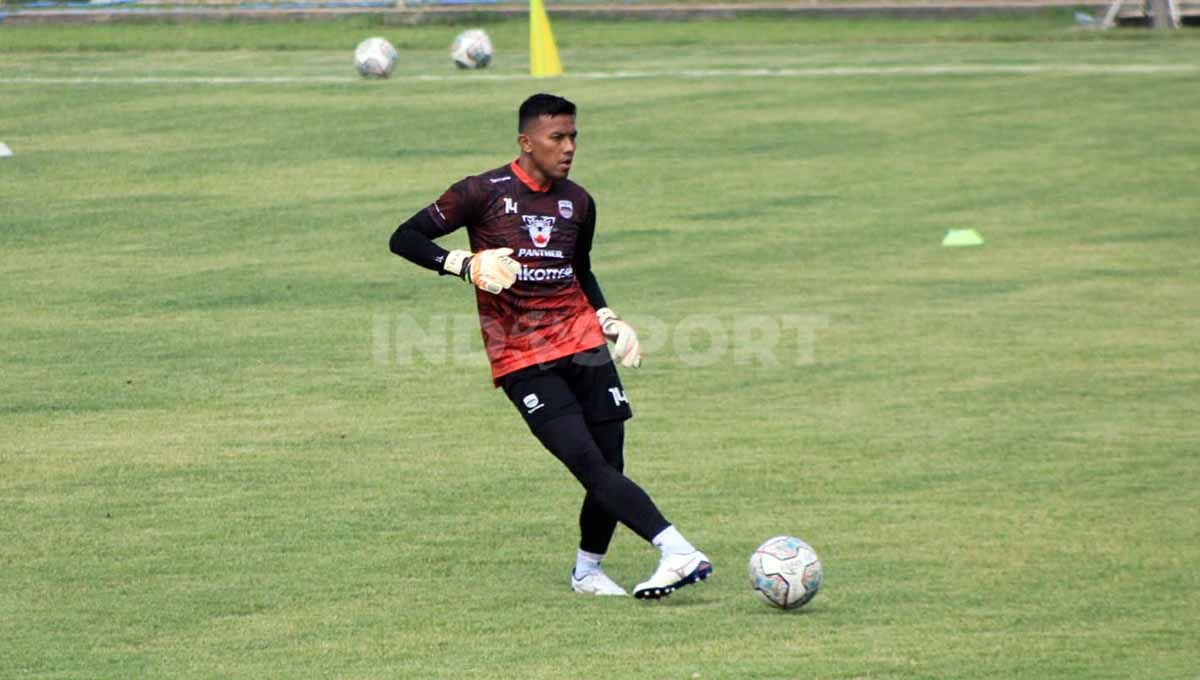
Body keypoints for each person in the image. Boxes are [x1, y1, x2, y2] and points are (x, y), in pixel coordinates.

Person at [388, 93, 711, 599]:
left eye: (574, 136)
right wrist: (464, 264)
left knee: (610, 462)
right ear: (525, 142)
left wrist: (609, 318)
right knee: (586, 462)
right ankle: (676, 550)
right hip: (522, 356)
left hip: (582, 341)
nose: (568, 147)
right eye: (556, 137)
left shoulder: (578, 201)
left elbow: (580, 269)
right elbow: (404, 237)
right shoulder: (481, 192)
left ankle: (587, 571)